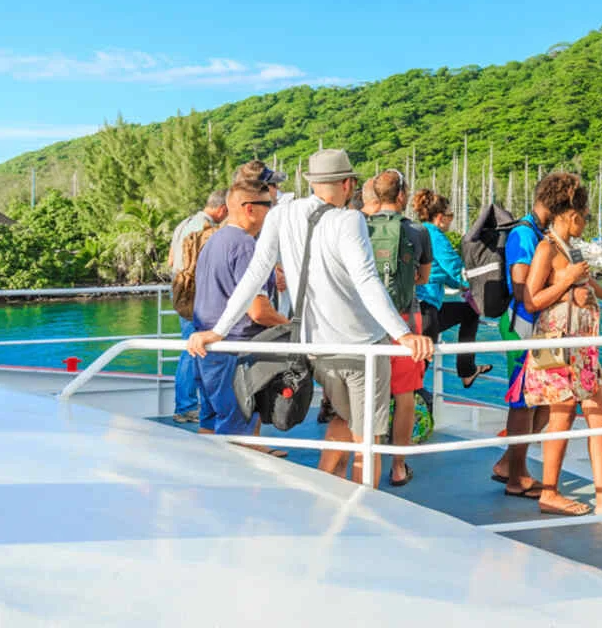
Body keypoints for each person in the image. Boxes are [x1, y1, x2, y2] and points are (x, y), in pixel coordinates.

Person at [187, 149, 433, 487]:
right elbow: (365, 279)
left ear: (313, 182)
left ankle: (324, 489)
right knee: (368, 444)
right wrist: (403, 334)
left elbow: (255, 274)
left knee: (346, 419)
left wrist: (218, 330)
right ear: (347, 183)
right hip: (361, 349)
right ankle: (365, 518)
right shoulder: (349, 220)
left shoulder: (281, 215)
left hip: (315, 349)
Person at [522, 173, 602, 519]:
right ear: (572, 215)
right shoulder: (546, 249)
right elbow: (530, 300)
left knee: (600, 414)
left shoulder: (572, 248)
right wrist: (568, 284)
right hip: (556, 345)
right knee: (562, 415)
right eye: (585, 216)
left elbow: (588, 283)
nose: (586, 222)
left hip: (583, 347)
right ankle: (550, 493)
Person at [190, 177, 290, 450]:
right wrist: (291, 326)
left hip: (207, 347)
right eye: (269, 205)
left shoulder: (213, 241)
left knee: (210, 422)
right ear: (250, 209)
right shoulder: (246, 246)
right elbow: (257, 310)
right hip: (235, 348)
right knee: (237, 423)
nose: (272, 212)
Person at [367, 169, 433, 488]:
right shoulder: (418, 231)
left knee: (371, 391)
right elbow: (422, 278)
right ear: (402, 196)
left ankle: (368, 462)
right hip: (407, 319)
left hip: (369, 323)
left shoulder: (362, 228)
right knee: (405, 395)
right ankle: (397, 466)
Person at [490, 184, 553, 499]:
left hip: (535, 327)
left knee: (547, 401)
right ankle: (517, 476)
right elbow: (521, 289)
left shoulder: (537, 233)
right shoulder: (525, 235)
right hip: (521, 326)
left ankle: (508, 464)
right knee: (524, 402)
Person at [412, 189, 491, 388]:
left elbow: (447, 275)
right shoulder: (435, 235)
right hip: (425, 306)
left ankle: (467, 370)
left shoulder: (419, 231)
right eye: (451, 216)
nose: (451, 220)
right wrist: (481, 285)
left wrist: (462, 287)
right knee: (419, 368)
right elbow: (455, 269)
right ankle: (465, 370)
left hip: (424, 305)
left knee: (469, 313)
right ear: (440, 218)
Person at [167, 189, 228, 423]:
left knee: (190, 348)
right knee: (193, 351)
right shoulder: (207, 229)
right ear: (222, 209)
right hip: (198, 296)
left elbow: (172, 260)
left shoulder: (184, 224)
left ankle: (189, 404)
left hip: (182, 294)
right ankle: (186, 407)